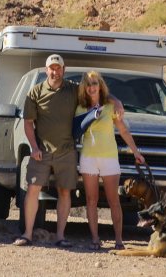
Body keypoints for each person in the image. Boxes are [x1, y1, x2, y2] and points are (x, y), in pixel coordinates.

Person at [14, 54, 124, 248]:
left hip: (67, 151)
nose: (55, 72)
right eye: (51, 68)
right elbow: (28, 123)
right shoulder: (35, 92)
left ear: (63, 70)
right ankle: (28, 234)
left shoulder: (73, 89)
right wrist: (34, 147)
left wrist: (116, 101)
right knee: (32, 190)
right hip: (42, 150)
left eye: (58, 68)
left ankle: (60, 236)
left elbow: (96, 90)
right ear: (46, 70)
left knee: (64, 192)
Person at [76, 70, 144, 251]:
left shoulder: (110, 107)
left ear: (100, 85)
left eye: (95, 84)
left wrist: (136, 152)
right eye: (88, 84)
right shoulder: (80, 107)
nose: (92, 88)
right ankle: (95, 239)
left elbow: (123, 131)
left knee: (114, 200)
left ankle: (119, 240)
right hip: (89, 158)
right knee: (91, 200)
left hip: (109, 158)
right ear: (85, 87)